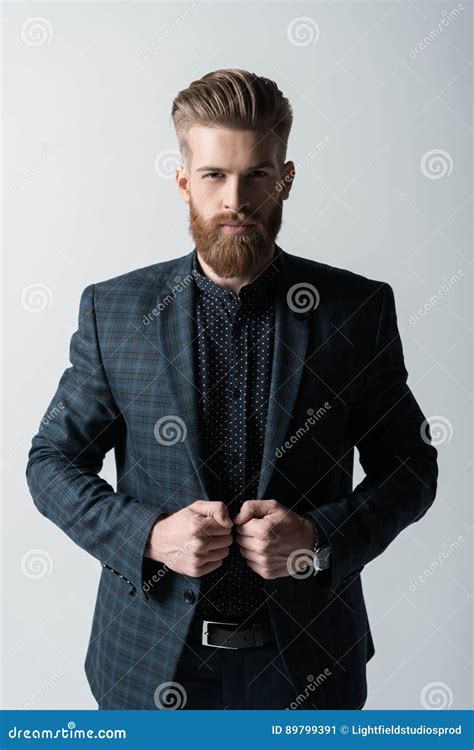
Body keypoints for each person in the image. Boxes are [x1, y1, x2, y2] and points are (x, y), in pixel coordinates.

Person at [26, 68, 438, 710]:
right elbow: (50, 463)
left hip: (309, 665)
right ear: (185, 180)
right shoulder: (115, 311)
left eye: (257, 175)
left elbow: (412, 467)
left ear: (287, 179)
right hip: (144, 662)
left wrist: (319, 541)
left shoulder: (356, 311)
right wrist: (147, 536)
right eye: (215, 175)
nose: (235, 200)